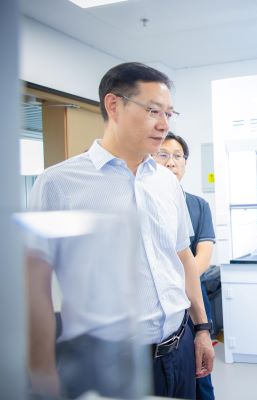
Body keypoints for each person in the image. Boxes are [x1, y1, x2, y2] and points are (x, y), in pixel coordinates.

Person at [27, 62, 214, 399]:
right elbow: (35, 286)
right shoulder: (58, 183)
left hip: (178, 348)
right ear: (113, 105)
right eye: (153, 111)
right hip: (109, 363)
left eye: (169, 113)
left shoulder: (166, 183)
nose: (164, 124)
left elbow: (183, 257)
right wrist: (42, 368)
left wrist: (201, 328)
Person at [154, 132, 217, 400]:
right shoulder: (146, 201)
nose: (171, 162)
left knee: (201, 375)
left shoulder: (198, 205)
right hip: (161, 305)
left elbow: (202, 256)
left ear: (185, 163)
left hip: (193, 297)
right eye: (163, 155)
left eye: (177, 156)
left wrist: (174, 280)